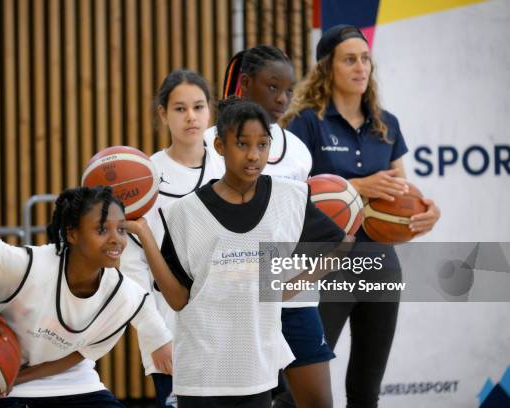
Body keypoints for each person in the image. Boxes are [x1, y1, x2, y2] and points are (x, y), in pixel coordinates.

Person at [128, 97, 347, 408]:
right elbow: (178, 299)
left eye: (263, 145)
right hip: (200, 373)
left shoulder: (291, 197)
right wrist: (146, 236)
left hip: (256, 372)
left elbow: (340, 245)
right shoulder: (184, 212)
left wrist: (284, 289)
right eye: (242, 144)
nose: (254, 155)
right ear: (219, 146)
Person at [281, 24, 441, 408]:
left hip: (380, 265)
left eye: (365, 58)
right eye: (349, 59)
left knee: (366, 393)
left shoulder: (387, 123)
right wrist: (356, 187)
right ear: (327, 68)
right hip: (322, 265)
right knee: (298, 393)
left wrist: (425, 211)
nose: (360, 67)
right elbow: (288, 198)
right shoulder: (306, 122)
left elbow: (401, 193)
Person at [0, 186, 172, 407]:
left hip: (78, 386)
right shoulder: (22, 266)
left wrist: (16, 377)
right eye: (101, 229)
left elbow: (82, 354)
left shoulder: (126, 297)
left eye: (120, 229)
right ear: (73, 234)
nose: (116, 238)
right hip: (9, 394)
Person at [205, 44, 334, 408]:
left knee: (319, 401)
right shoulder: (211, 144)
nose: (283, 98)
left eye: (289, 89)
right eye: (272, 86)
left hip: (292, 296)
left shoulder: (298, 151)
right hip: (234, 298)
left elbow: (301, 223)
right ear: (245, 84)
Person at [120, 69, 225, 408]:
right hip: (172, 328)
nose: (191, 117)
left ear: (210, 111)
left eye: (198, 107)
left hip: (230, 325)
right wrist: (154, 337)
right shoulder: (142, 177)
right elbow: (132, 269)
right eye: (180, 109)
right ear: (163, 114)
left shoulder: (229, 167)